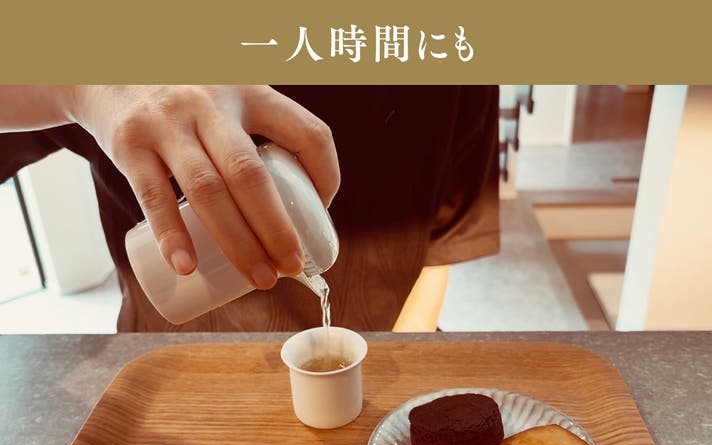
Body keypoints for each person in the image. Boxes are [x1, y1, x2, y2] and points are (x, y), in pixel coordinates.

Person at [0, 85, 500, 332]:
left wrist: (403, 355)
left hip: (389, 341)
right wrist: (84, 86)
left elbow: (441, 244)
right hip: (171, 360)